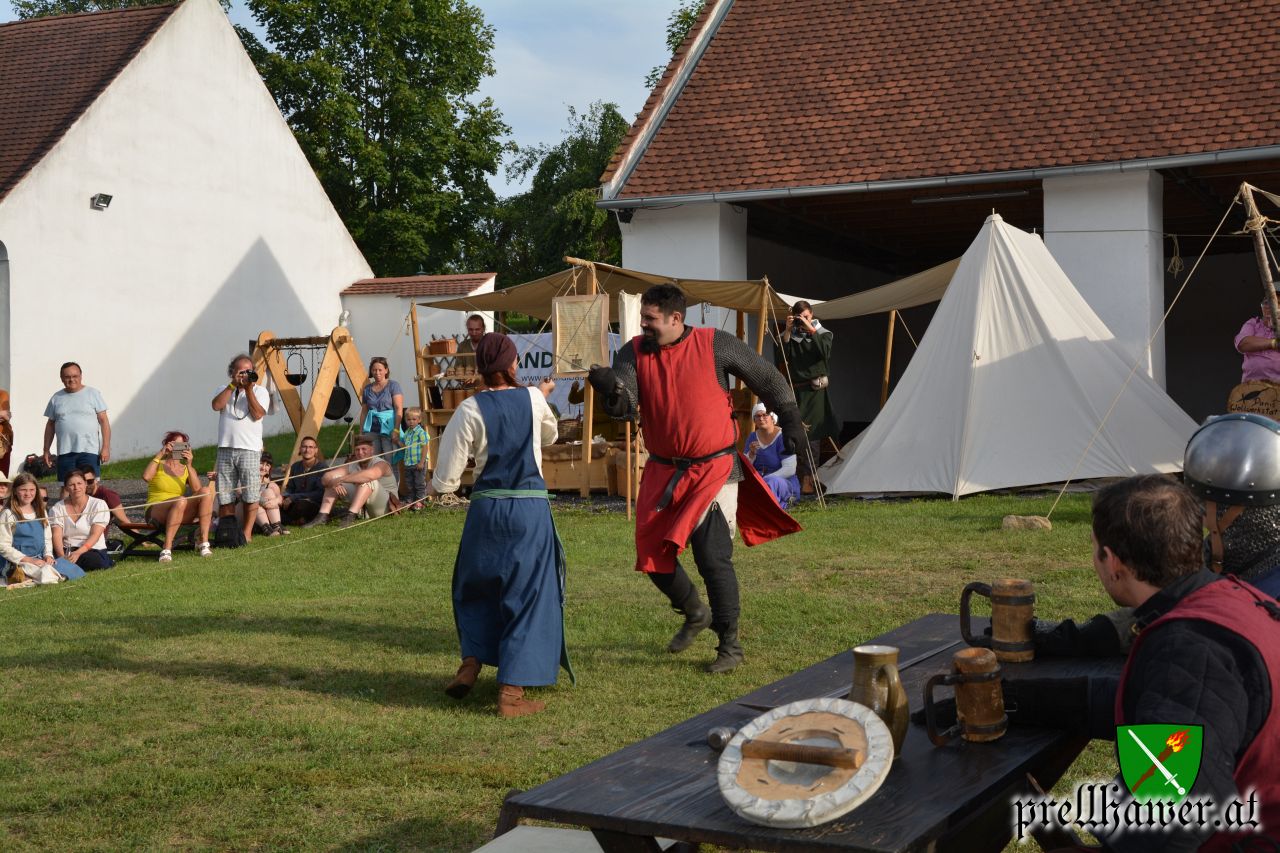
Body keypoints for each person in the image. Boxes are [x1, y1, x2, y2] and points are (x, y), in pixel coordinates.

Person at [588, 284, 804, 673]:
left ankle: (730, 646)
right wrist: (612, 391)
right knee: (652, 555)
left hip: (714, 471)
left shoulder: (714, 344)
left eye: (651, 320)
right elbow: (625, 405)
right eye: (643, 319)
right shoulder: (632, 353)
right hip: (663, 469)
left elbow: (764, 375)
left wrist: (788, 416)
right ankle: (693, 611)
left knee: (712, 557)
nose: (644, 326)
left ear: (676, 318)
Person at [431, 332, 570, 717]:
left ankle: (471, 664)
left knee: (476, 586)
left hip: (486, 512)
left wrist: (433, 488)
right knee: (527, 594)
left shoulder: (469, 409)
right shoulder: (533, 399)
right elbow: (550, 433)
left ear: (480, 369)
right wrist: (540, 396)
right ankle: (510, 693)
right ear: (512, 366)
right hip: (528, 513)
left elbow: (447, 479)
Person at [776, 300, 837, 494]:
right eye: (800, 317)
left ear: (812, 314)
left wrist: (810, 327)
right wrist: (787, 330)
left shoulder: (823, 333)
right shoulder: (791, 335)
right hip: (795, 391)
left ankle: (810, 480)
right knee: (794, 433)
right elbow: (781, 358)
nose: (803, 320)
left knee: (813, 435)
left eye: (807, 316)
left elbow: (824, 352)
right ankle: (798, 480)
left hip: (815, 392)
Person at [211, 354, 269, 543]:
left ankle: (247, 533)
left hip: (249, 449)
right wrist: (232, 386)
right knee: (225, 494)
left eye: (248, 371)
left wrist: (248, 389)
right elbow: (216, 405)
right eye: (241, 371)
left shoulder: (260, 391)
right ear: (232, 372)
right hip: (226, 447)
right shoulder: (224, 389)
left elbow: (258, 414)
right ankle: (228, 532)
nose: (245, 374)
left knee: (251, 494)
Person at [142, 431, 213, 561]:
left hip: (179, 508)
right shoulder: (159, 463)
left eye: (183, 445)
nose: (178, 448)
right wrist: (161, 453)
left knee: (206, 491)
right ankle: (167, 548)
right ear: (167, 444)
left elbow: (197, 490)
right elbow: (146, 477)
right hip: (156, 509)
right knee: (180, 500)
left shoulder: (186, 469)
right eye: (175, 444)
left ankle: (204, 542)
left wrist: (189, 465)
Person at [1, 472, 81, 586]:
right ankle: (25, 576)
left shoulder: (40, 511)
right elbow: (3, 546)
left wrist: (48, 555)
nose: (28, 493)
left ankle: (37, 576)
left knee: (74, 570)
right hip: (17, 562)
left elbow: (47, 538)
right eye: (23, 490)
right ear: (15, 491)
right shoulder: (8, 514)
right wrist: (28, 560)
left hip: (40, 558)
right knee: (47, 575)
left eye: (32, 490)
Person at [304, 434, 396, 527]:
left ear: (372, 450)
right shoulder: (353, 464)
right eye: (357, 450)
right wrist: (334, 483)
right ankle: (322, 517)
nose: (360, 452)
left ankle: (350, 517)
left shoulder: (381, 463)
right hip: (364, 509)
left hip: (385, 507)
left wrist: (340, 479)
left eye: (364, 449)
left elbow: (370, 475)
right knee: (332, 484)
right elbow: (326, 477)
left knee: (367, 480)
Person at [41, 362, 111, 481]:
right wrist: (46, 450)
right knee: (66, 487)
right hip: (65, 452)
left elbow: (104, 421)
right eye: (67, 377)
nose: (72, 379)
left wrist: (105, 447)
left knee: (91, 485)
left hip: (89, 450)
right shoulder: (56, 398)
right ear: (62, 378)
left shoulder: (93, 394)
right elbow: (50, 425)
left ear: (81, 376)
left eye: (75, 376)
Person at [49, 470, 113, 570]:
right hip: (67, 550)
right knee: (51, 558)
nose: (76, 488)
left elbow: (95, 535)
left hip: (91, 549)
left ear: (85, 484)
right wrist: (62, 557)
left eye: (79, 483)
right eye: (72, 484)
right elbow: (57, 535)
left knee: (95, 561)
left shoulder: (98, 504)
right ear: (66, 488)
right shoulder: (57, 508)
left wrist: (78, 553)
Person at [744, 403, 799, 509]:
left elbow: (790, 469)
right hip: (760, 482)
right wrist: (751, 453)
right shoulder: (752, 437)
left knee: (772, 482)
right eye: (757, 416)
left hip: (782, 483)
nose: (761, 418)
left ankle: (765, 506)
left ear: (773, 418)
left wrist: (765, 480)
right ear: (754, 420)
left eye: (765, 415)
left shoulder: (783, 437)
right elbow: (745, 467)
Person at [358, 356, 404, 462]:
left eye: (380, 370)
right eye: (374, 370)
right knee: (373, 460)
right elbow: (364, 412)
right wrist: (361, 432)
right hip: (372, 429)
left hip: (389, 429)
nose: (377, 372)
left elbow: (398, 408)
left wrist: (396, 430)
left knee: (390, 460)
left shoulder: (393, 385)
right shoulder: (367, 389)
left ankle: (393, 479)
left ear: (386, 370)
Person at [1234, 299, 1280, 382]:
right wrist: (1274, 343)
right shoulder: (1253, 323)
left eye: (1277, 303)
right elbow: (1243, 344)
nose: (1270, 306)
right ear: (1262, 306)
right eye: (1266, 303)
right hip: (1252, 385)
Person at [281, 436, 325, 525]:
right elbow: (290, 488)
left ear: (316, 450)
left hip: (312, 503)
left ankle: (293, 520)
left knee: (302, 505)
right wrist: (283, 497)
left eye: (310, 447)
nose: (307, 450)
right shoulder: (295, 466)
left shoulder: (322, 468)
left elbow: (319, 493)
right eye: (304, 447)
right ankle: (295, 521)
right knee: (276, 506)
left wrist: (294, 497)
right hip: (295, 502)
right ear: (300, 449)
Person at [79, 465, 130, 531]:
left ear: (96, 480)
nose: (86, 485)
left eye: (89, 481)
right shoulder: (77, 495)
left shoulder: (108, 495)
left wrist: (142, 540)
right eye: (82, 482)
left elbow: (124, 520)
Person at [250, 451, 288, 536]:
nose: (263, 467)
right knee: (254, 502)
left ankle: (276, 525)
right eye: (261, 463)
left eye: (267, 465)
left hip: (263, 516)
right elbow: (244, 496)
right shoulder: (245, 480)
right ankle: (266, 527)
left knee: (269, 491)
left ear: (269, 470)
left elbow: (280, 499)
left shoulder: (271, 484)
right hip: (245, 516)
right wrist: (263, 502)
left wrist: (276, 501)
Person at [399, 408, 430, 510]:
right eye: (408, 419)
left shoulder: (421, 432)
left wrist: (422, 462)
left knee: (419, 483)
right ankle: (410, 500)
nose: (411, 422)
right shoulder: (407, 432)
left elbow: (425, 447)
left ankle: (420, 502)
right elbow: (405, 446)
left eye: (414, 419)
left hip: (418, 463)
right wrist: (397, 442)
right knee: (409, 484)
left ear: (419, 420)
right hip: (408, 463)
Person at [0, 386, 12, 476]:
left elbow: (6, 416)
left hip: (2, 442)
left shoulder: (2, 394)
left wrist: (3, 414)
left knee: (2, 479)